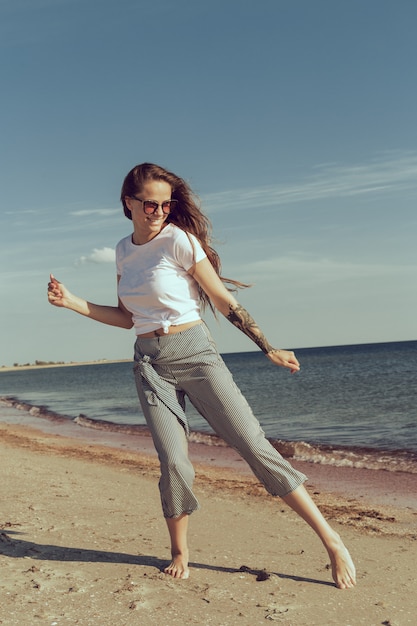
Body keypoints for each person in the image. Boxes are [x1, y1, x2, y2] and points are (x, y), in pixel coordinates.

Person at [47, 162, 356, 589]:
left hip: (195, 353)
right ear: (128, 203)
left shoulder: (179, 240)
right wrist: (73, 303)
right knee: (174, 462)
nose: (158, 212)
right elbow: (125, 316)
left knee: (253, 445)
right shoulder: (123, 251)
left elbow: (223, 300)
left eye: (165, 204)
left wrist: (268, 347)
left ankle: (331, 541)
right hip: (150, 363)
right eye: (149, 204)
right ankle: (180, 551)